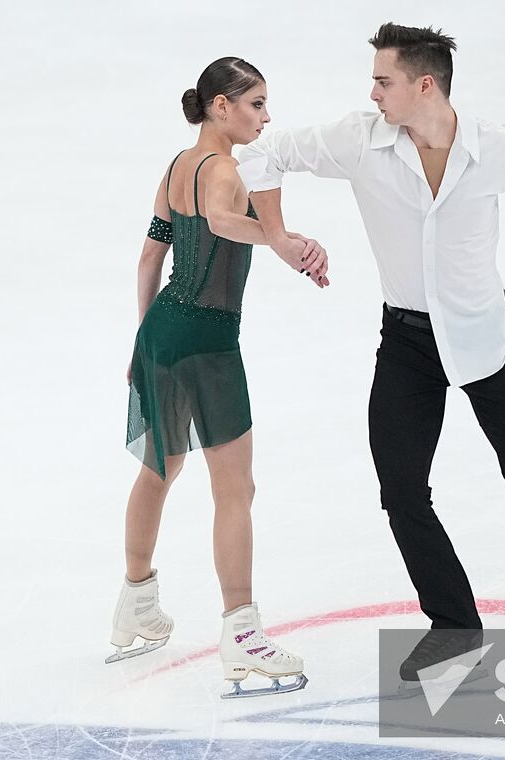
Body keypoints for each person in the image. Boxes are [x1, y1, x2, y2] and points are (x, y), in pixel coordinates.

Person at [236, 23, 505, 687]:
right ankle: (454, 622)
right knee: (401, 490)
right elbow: (262, 154)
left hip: (486, 335)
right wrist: (279, 236)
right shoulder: (360, 139)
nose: (372, 92)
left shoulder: (493, 148)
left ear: (424, 85)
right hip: (406, 343)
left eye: (384, 81)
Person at [108, 57, 329, 699]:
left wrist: (143, 338)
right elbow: (221, 220)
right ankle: (242, 633)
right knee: (236, 490)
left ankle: (137, 602)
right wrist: (281, 239)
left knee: (160, 469)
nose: (265, 116)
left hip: (163, 332)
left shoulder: (176, 165)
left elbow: (152, 253)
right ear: (219, 106)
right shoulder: (226, 171)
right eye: (255, 104)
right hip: (207, 340)